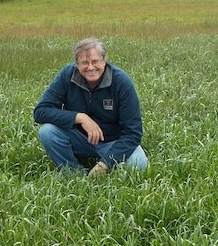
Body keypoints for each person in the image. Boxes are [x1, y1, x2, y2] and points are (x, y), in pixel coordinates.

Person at [34, 37, 148, 176]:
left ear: (104, 60)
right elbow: (40, 112)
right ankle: (74, 174)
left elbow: (133, 132)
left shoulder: (121, 82)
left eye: (95, 61)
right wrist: (80, 117)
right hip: (79, 138)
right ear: (76, 64)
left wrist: (105, 163)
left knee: (139, 163)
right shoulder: (67, 75)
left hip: (112, 142)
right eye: (84, 63)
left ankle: (101, 167)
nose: (90, 67)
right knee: (47, 132)